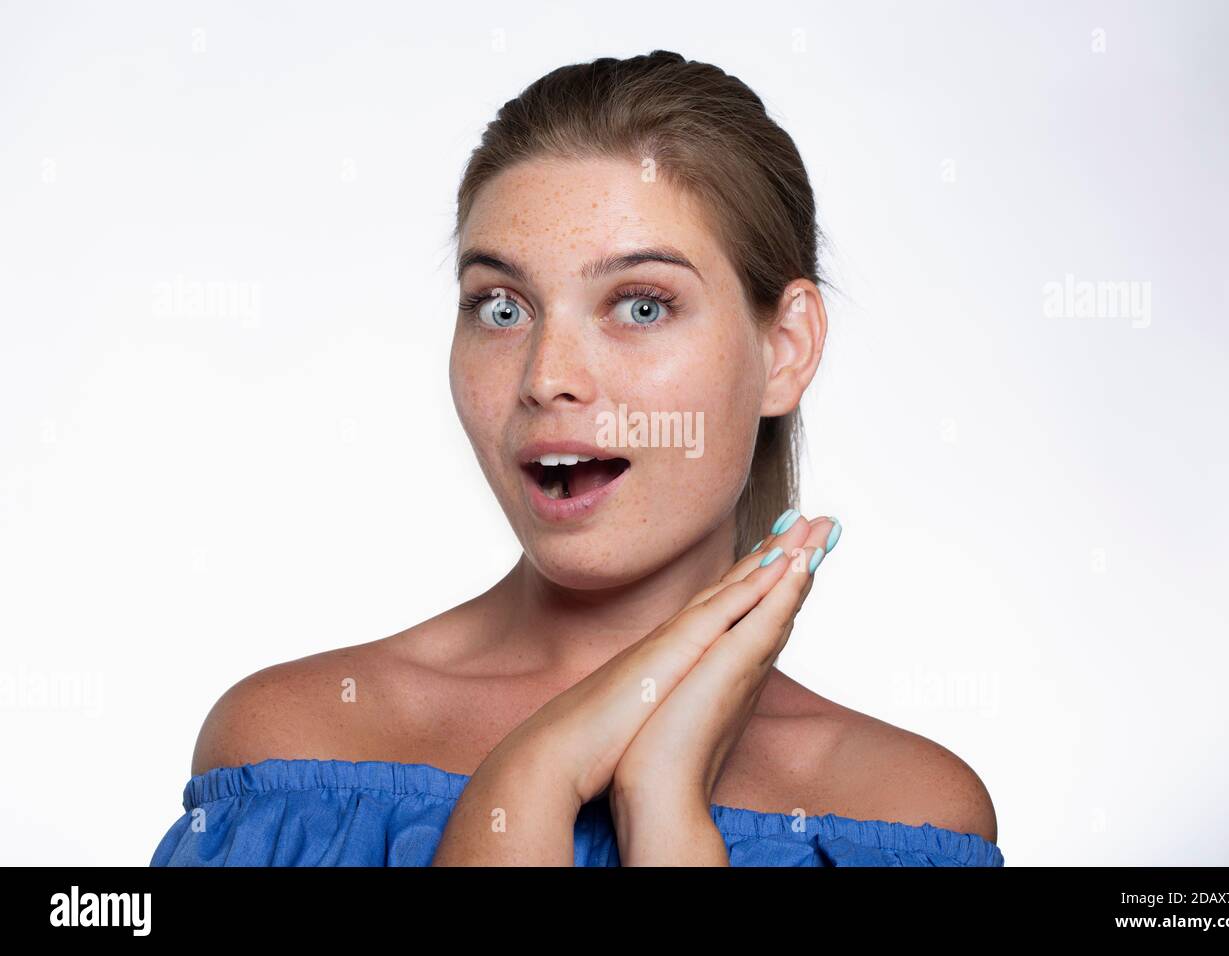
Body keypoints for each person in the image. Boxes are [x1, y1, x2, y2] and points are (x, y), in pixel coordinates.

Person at [151, 49, 1002, 867]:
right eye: (501, 307)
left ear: (784, 348)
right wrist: (531, 782)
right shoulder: (292, 754)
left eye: (639, 306)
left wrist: (665, 810)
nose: (548, 378)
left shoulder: (898, 815)